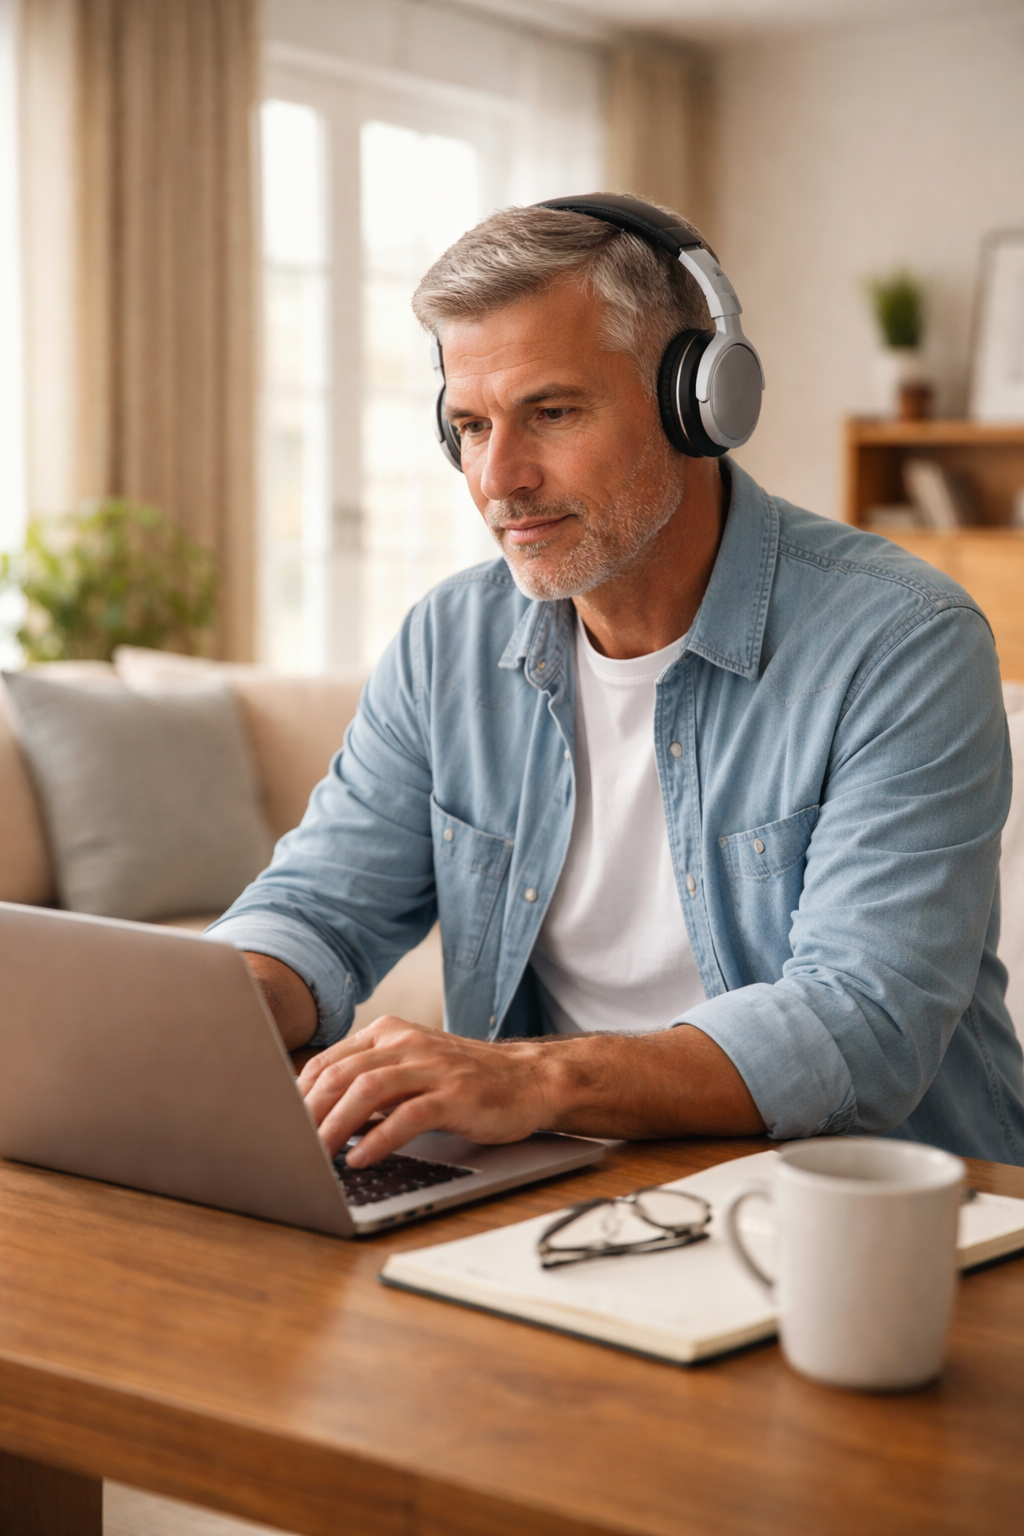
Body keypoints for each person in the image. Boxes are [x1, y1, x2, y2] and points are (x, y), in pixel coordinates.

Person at [209, 196, 1024, 1171]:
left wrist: (534, 1079)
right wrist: (229, 1001)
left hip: (866, 1212)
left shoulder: (902, 643)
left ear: (698, 403)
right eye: (469, 426)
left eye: (549, 413)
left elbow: (861, 1026)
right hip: (553, 1199)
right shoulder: (448, 640)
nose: (498, 478)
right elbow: (317, 908)